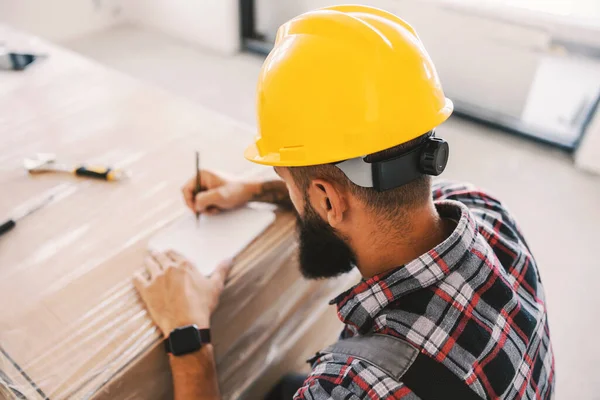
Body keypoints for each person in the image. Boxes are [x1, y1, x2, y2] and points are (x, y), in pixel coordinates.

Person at [133, 5, 555, 399]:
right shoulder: (488, 210)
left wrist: (188, 332)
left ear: (327, 200)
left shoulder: (352, 387)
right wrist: (253, 190)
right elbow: (363, 191)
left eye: (288, 182)